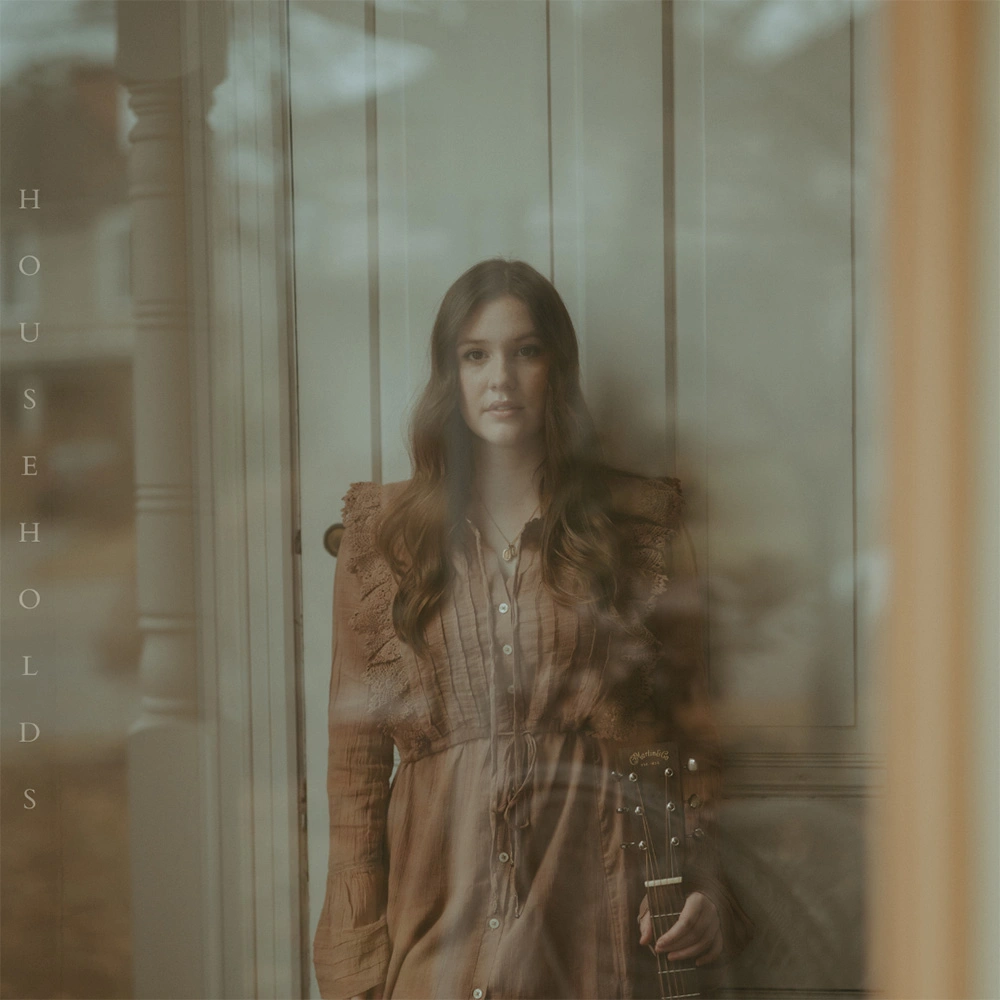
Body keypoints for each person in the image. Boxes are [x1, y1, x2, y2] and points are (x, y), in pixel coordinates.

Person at [313, 258, 753, 1000]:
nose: (501, 379)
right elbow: (355, 775)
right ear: (448, 376)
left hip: (596, 922)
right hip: (438, 925)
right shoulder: (382, 543)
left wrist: (702, 883)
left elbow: (688, 731)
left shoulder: (635, 531)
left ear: (558, 368)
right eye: (475, 355)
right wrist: (356, 961)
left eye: (527, 351)